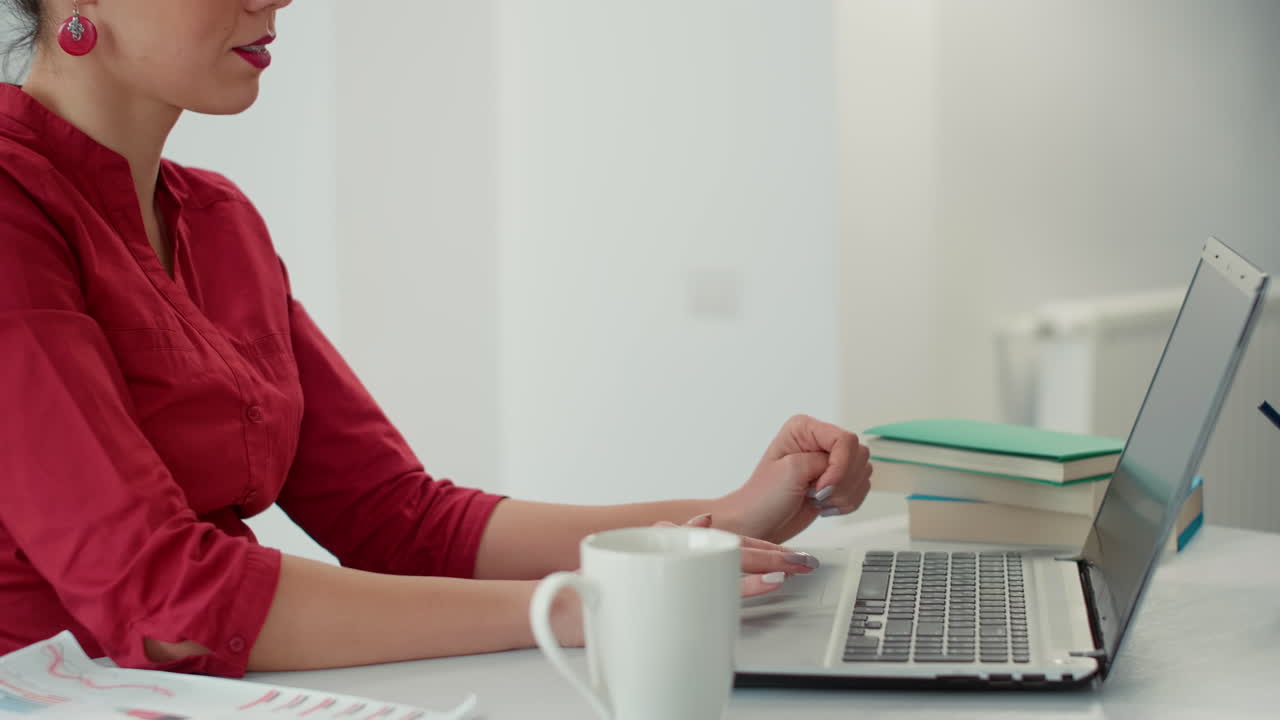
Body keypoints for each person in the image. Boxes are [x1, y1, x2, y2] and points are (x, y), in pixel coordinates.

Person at [0, 0, 873, 678]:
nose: (278, 1)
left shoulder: (220, 220)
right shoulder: (12, 210)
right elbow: (168, 602)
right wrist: (583, 604)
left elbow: (397, 518)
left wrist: (711, 525)